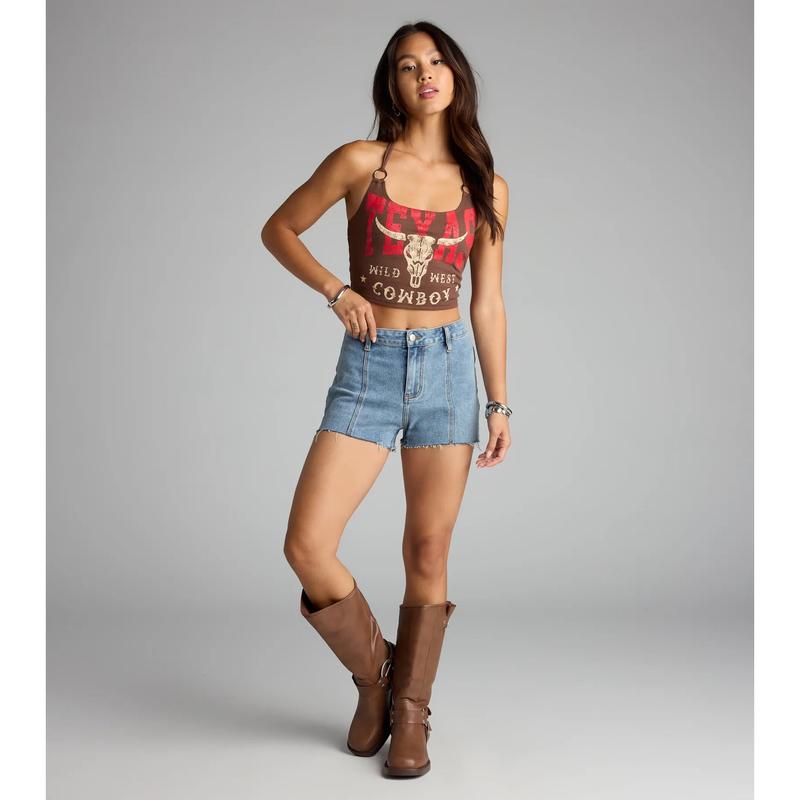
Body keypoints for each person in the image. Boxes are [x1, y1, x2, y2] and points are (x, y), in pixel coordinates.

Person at [261, 20, 511, 779]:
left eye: (435, 61)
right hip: (369, 369)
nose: (424, 73)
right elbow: (280, 228)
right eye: (407, 65)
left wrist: (499, 403)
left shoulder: (485, 186)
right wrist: (335, 290)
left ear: (455, 76)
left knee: (427, 551)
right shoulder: (359, 162)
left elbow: (487, 302)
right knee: (307, 545)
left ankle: (410, 716)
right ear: (392, 85)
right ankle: (377, 678)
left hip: (448, 371)